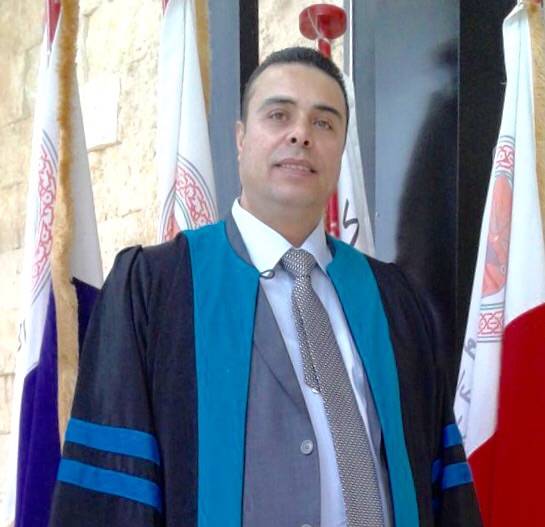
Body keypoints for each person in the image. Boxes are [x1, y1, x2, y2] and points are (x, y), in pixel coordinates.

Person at [49, 47, 482, 527]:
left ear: (340, 149)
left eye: (324, 123)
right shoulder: (155, 290)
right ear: (240, 138)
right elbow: (111, 500)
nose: (301, 134)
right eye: (279, 115)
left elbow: (439, 486)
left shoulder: (394, 301)